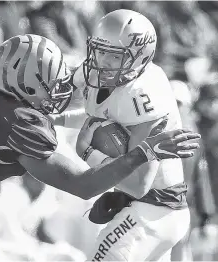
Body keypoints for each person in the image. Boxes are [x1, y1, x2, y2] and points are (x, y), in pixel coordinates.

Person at [0, 34, 200, 261]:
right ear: (30, 82)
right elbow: (84, 185)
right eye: (54, 81)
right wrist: (144, 151)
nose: (59, 89)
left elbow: (26, 104)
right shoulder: (19, 124)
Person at [52, 9, 200, 261]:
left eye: (112, 55)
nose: (100, 61)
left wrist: (88, 153)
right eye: (98, 50)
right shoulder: (99, 71)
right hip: (141, 207)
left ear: (139, 58)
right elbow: (95, 115)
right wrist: (54, 119)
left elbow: (138, 184)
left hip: (156, 209)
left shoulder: (146, 97)